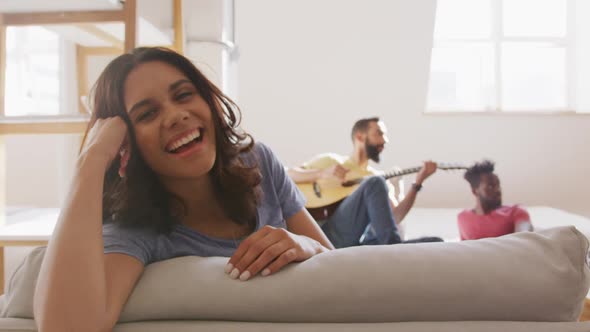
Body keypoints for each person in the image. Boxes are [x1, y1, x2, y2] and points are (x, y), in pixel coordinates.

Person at [33, 47, 334, 331]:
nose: (176, 116)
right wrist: (91, 161)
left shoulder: (259, 163)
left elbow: (340, 270)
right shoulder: (133, 230)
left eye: (184, 95)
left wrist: (308, 246)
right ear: (126, 146)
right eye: (147, 114)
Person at [288, 117, 442, 248]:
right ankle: (393, 248)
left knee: (435, 242)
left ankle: (389, 246)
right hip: (323, 232)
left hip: (353, 240)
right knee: (375, 182)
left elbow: (395, 218)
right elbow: (288, 175)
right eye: (379, 133)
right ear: (360, 137)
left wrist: (417, 184)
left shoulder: (376, 179)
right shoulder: (331, 160)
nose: (385, 140)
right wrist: (321, 173)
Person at [458, 159, 533, 240]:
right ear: (475, 191)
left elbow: (524, 239)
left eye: (498, 185)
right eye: (490, 186)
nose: (498, 190)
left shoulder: (516, 211)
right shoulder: (463, 217)